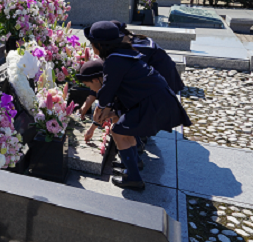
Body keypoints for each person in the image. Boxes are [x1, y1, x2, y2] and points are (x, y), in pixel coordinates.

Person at [80, 21, 191, 190]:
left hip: (152, 101)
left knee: (118, 131)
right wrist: (103, 111)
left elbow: (109, 88)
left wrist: (101, 107)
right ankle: (133, 163)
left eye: (92, 44)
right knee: (124, 128)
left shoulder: (114, 60)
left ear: (100, 45)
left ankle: (134, 178)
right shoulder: (123, 52)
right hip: (155, 97)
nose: (92, 48)